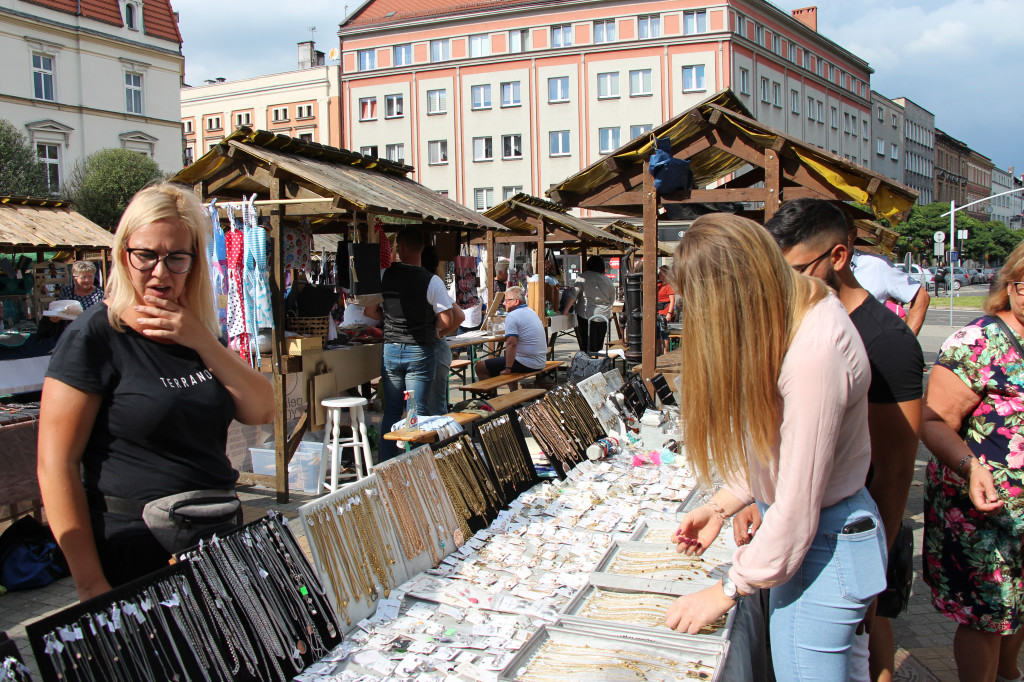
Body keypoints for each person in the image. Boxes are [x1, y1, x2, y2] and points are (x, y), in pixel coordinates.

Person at [665, 213, 886, 680]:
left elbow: (798, 499)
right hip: (818, 542)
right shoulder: (800, 314)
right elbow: (779, 446)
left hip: (825, 545)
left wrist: (726, 590)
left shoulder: (814, 348)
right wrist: (723, 505)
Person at [37, 183, 275, 600]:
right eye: (146, 255)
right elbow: (55, 464)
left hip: (215, 537)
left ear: (194, 263)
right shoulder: (96, 335)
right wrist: (89, 582)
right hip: (135, 548)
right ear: (123, 253)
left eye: (176, 258)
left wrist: (199, 338)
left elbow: (261, 410)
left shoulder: (199, 332)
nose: (160, 272)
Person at [764, 198, 924, 682]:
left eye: (793, 270)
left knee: (861, 655)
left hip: (848, 534)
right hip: (812, 526)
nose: (782, 286)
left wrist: (874, 567)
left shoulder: (888, 342)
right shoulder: (807, 317)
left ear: (837, 257)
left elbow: (896, 469)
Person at [920, 240, 1024, 682]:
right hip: (983, 510)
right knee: (988, 612)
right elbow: (932, 420)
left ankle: (1009, 674)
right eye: (1023, 285)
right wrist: (971, 467)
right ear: (1009, 286)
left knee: (1017, 606)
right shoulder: (979, 341)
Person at [365, 228, 456, 461]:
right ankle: (417, 465)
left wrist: (389, 319)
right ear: (422, 249)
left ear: (401, 248)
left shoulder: (383, 275)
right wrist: (431, 329)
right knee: (417, 411)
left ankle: (387, 464)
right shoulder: (431, 280)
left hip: (391, 348)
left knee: (392, 410)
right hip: (419, 351)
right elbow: (448, 319)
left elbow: (370, 310)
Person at [849, 229, 931, 335]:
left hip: (869, 348)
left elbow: (921, 296)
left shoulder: (877, 265)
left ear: (853, 234)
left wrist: (909, 341)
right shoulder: (821, 266)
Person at [422, 245, 464, 416]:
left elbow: (457, 317)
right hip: (439, 348)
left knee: (432, 407)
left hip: (434, 349)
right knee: (434, 405)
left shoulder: (430, 282)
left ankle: (440, 442)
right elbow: (459, 316)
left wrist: (439, 332)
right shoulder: (434, 281)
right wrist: (441, 333)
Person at [474, 285, 546, 382]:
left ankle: (490, 395)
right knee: (507, 356)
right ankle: (513, 392)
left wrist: (508, 368)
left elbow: (511, 344)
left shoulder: (512, 316)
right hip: (540, 361)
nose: (504, 303)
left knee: (480, 366)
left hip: (527, 363)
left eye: (507, 300)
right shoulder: (531, 311)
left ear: (516, 301)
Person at [561, 255, 615, 353]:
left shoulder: (583, 277)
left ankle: (589, 364)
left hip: (586, 315)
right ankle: (597, 363)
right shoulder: (608, 281)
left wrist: (565, 311)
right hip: (603, 316)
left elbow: (573, 295)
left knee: (587, 345)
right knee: (598, 345)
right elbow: (611, 300)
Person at [656, 265, 675, 354]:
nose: (659, 274)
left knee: (664, 334)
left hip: (665, 310)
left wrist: (669, 313)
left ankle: (665, 352)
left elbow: (672, 301)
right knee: (658, 334)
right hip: (657, 311)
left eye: (661, 273)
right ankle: (659, 353)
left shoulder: (668, 286)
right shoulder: (658, 284)